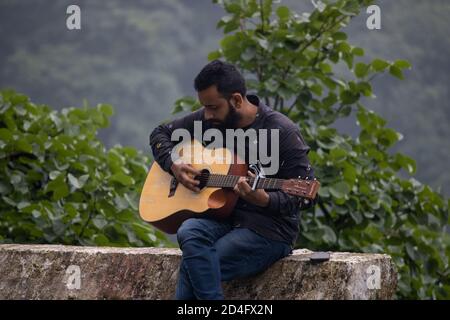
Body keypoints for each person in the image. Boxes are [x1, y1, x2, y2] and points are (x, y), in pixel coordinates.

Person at [149, 60, 315, 300]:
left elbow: (306, 197)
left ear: (236, 100)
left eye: (213, 107)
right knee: (189, 230)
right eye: (204, 107)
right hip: (224, 218)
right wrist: (174, 165)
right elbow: (160, 134)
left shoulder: (282, 131)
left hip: (268, 231)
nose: (207, 115)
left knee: (197, 264)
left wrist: (265, 200)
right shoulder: (213, 119)